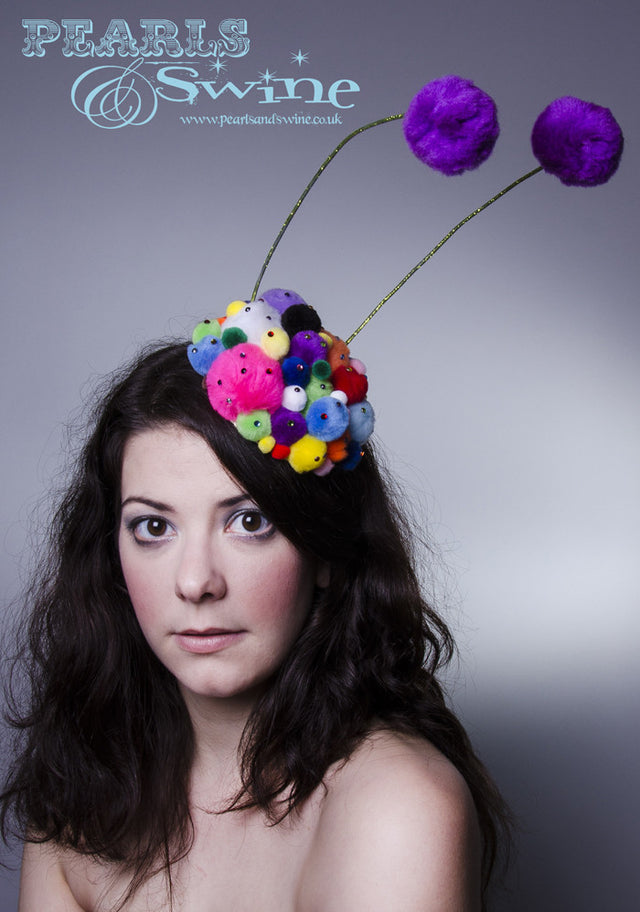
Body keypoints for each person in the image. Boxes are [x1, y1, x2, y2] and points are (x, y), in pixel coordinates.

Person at [1, 326, 511, 911]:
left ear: (321, 550)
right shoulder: (82, 798)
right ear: (111, 552)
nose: (195, 582)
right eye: (154, 527)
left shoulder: (399, 806)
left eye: (248, 522)